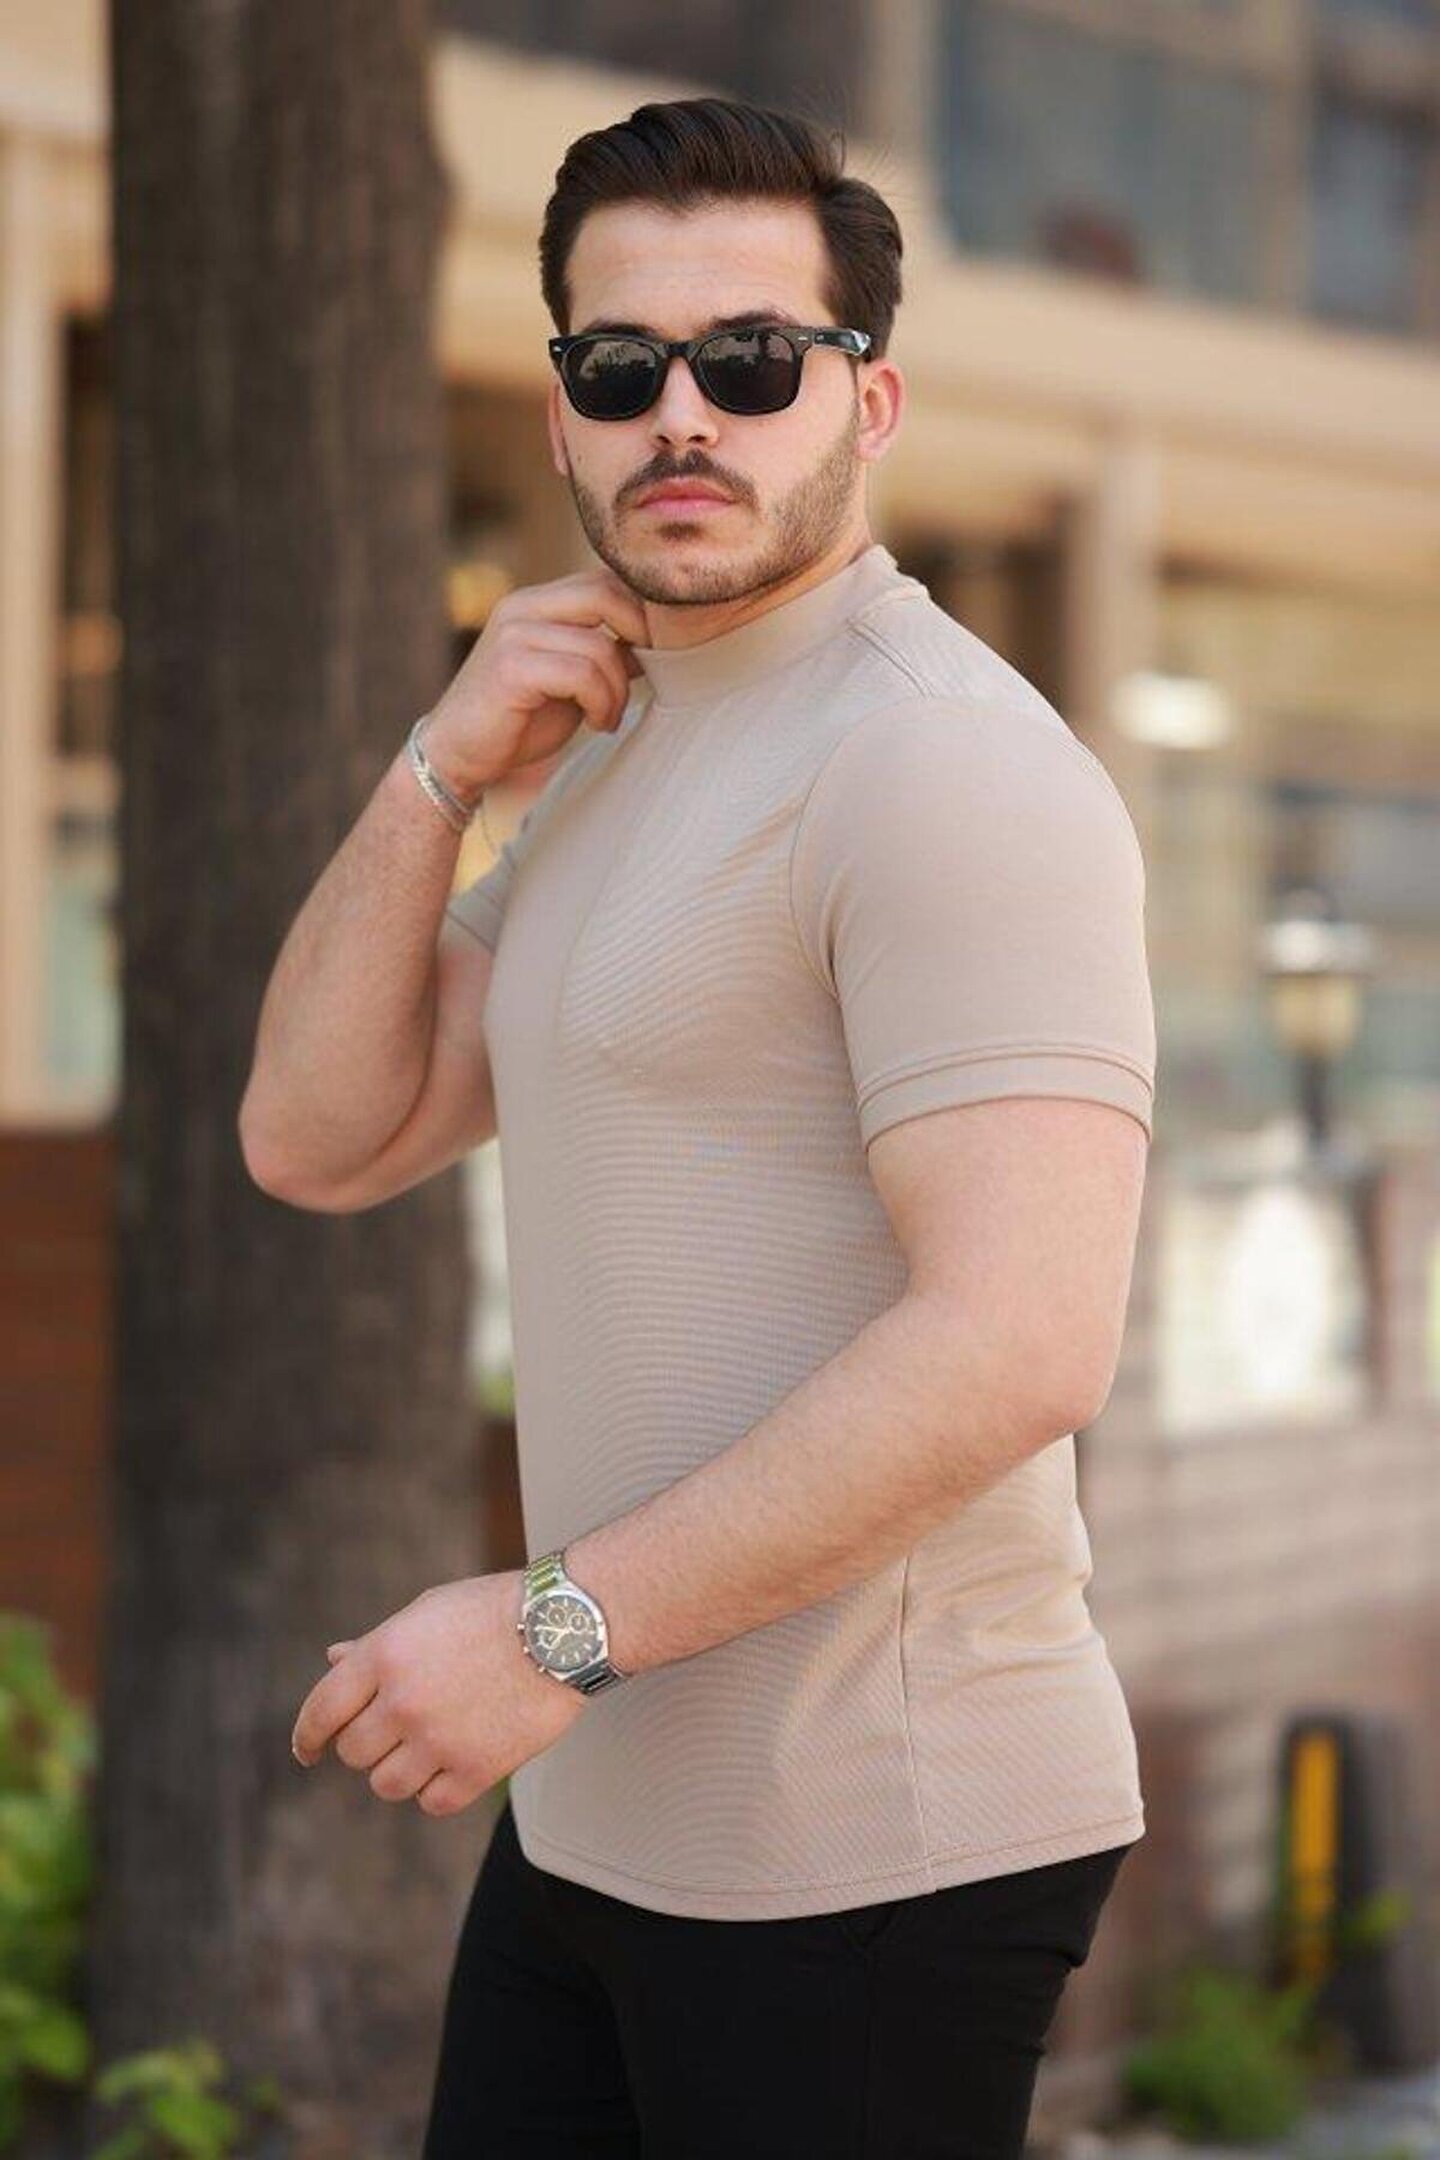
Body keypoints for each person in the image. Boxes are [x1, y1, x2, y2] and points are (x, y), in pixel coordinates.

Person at [252, 93, 1156, 2160]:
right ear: (562, 415)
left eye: (753, 360)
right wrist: (434, 769)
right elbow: (319, 1134)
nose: (684, 415)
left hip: (867, 1851)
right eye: (620, 367)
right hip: (599, 1808)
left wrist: (548, 1632)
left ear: (869, 398)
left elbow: (1023, 1338)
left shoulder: (939, 766)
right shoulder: (613, 742)